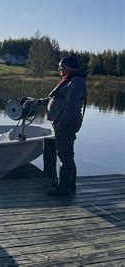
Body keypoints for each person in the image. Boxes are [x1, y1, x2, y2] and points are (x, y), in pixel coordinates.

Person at [42, 53, 87, 197]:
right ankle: (69, 184)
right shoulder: (69, 80)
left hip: (66, 124)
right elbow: (57, 98)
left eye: (61, 67)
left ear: (68, 67)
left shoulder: (77, 81)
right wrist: (40, 102)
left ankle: (64, 188)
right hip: (63, 123)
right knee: (66, 153)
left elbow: (72, 106)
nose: (59, 69)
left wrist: (61, 123)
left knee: (65, 154)